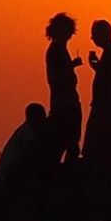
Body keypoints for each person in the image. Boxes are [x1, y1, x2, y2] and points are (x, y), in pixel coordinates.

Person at [84, 19, 111, 167]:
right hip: (106, 105)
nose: (92, 38)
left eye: (94, 34)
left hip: (108, 107)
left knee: (101, 146)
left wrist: (98, 67)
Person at [44, 13, 82, 167]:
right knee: (69, 143)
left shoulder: (58, 50)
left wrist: (71, 65)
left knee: (68, 143)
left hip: (65, 103)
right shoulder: (55, 50)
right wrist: (70, 67)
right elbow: (56, 77)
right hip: (65, 104)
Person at [0, 102, 54, 190]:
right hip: (9, 177)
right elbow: (32, 155)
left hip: (8, 176)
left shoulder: (25, 131)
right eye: (41, 116)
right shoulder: (28, 134)